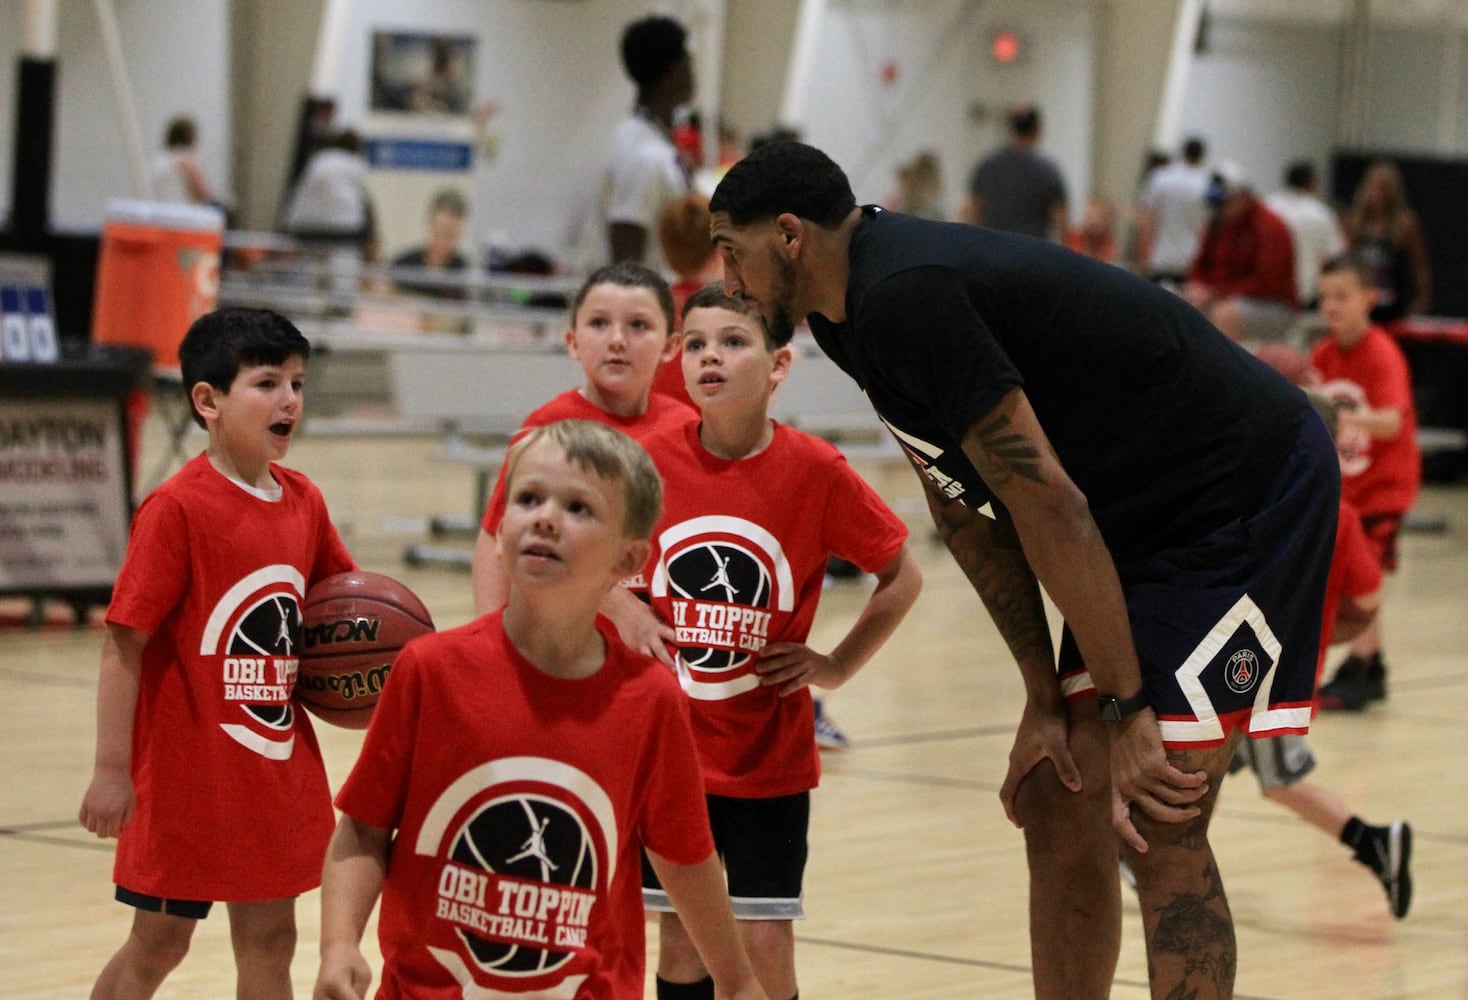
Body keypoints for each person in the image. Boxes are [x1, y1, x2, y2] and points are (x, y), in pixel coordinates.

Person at [708, 140, 1339, 1000]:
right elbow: (962, 505)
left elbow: (1051, 506)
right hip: (1137, 515)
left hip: (1238, 497)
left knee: (1157, 816)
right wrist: (1044, 700)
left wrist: (1126, 708)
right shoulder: (846, 315)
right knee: (1057, 793)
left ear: (787, 236)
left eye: (731, 249)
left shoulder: (906, 296)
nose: (728, 277)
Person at [313, 420, 770, 1000]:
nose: (546, 517)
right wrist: (338, 943)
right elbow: (363, 827)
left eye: (579, 508)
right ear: (500, 527)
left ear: (628, 558)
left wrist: (738, 981)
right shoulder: (429, 671)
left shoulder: (650, 700)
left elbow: (685, 856)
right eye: (528, 499)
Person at [637, 285, 923, 1000]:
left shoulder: (815, 470)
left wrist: (837, 664)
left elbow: (901, 575)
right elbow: (603, 563)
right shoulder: (646, 463)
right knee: (680, 935)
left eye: (733, 341)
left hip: (768, 751)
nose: (711, 357)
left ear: (778, 365)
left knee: (765, 937)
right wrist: (623, 604)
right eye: (697, 343)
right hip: (672, 748)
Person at [78, 307, 356, 998]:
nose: (290, 398)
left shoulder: (305, 502)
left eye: (297, 381)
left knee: (273, 941)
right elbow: (123, 645)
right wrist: (113, 770)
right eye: (267, 382)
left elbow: (344, 621)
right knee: (159, 943)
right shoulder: (176, 509)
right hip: (187, 778)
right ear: (208, 401)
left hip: (273, 768)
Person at [1224, 388, 1411, 919]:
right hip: (1260, 672)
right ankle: (1152, 852)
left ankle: (1376, 842)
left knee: (1278, 779)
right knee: (1208, 768)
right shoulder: (1338, 515)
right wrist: (1324, 636)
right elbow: (1368, 603)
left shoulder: (1260, 506)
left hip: (1264, 679)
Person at [468, 263, 688, 649]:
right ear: (572, 342)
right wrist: (491, 643)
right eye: (599, 324)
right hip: (563, 646)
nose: (617, 340)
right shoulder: (548, 428)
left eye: (638, 326)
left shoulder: (687, 428)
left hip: (661, 649)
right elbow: (496, 538)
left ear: (671, 345)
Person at [1310, 253, 1421, 711]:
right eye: (1324, 298)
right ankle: (1368, 663)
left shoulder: (1380, 353)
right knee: (1348, 576)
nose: (1331, 306)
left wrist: (1342, 416)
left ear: (1368, 300)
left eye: (1342, 297)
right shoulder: (1322, 355)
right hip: (1346, 489)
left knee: (1364, 575)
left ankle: (1365, 662)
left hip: (1383, 487)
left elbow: (1393, 423)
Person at [604, 14, 695, 268]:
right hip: (648, 302)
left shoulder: (653, 141)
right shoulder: (643, 153)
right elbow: (625, 248)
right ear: (673, 73)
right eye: (688, 63)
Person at [1182, 160, 1299, 345]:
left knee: (1224, 314)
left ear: (1243, 196)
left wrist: (1215, 293)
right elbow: (1200, 266)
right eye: (1217, 204)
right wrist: (1196, 287)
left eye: (1225, 203)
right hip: (1224, 296)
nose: (1220, 209)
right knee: (1178, 303)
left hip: (1274, 306)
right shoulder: (1217, 224)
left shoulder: (1269, 226)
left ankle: (1221, 371)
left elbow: (1267, 283)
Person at [960, 105, 1068, 242]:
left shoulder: (988, 166)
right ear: (1037, 130)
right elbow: (1060, 219)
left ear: (1011, 129)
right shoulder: (1048, 171)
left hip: (993, 249)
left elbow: (972, 211)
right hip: (1031, 251)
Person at [1343, 160, 1433, 325]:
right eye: (1372, 186)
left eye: (1382, 187)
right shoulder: (1354, 222)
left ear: (1392, 191)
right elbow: (1345, 261)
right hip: (1362, 300)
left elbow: (1419, 264)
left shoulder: (1404, 223)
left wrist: (1422, 297)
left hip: (1393, 303)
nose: (1376, 193)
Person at [1265, 160, 1346, 309]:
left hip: (1268, 296)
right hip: (1306, 296)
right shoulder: (1322, 214)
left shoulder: (1268, 207)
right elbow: (1336, 256)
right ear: (1312, 183)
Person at [1133, 136, 1210, 285]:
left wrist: (1140, 258)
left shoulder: (1161, 178)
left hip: (1159, 259)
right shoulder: (1207, 184)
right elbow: (1208, 228)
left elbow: (1148, 221)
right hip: (1190, 262)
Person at [390, 187, 471, 303]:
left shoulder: (463, 273)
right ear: (430, 226)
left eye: (452, 235)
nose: (444, 241)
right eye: (440, 232)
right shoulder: (403, 266)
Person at [150, 114, 231, 215]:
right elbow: (201, 193)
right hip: (182, 217)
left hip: (160, 214)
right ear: (190, 137)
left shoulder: (159, 159)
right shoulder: (185, 159)